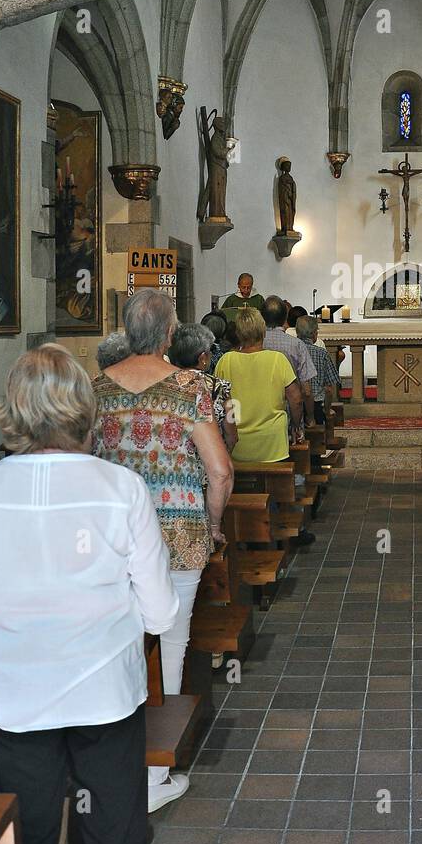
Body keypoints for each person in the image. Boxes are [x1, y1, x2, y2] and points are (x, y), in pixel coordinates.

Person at [0, 344, 178, 844]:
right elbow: (158, 612)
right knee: (115, 839)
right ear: (83, 408)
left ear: (14, 411)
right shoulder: (122, 488)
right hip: (104, 694)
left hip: (16, 700)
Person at [91, 289, 234, 812]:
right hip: (176, 532)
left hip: (113, 539)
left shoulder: (96, 387)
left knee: (122, 644)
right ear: (171, 334)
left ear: (128, 331)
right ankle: (156, 773)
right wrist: (213, 524)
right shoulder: (190, 386)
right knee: (172, 640)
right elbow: (218, 469)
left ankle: (116, 763)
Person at [216, 311, 314, 546]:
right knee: (277, 492)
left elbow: (220, 401)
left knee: (241, 494)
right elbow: (296, 398)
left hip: (237, 445)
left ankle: (244, 536)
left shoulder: (225, 361)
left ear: (238, 334)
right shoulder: (277, 360)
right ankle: (275, 535)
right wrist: (296, 427)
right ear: (262, 332)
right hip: (272, 445)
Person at [169, 322, 238, 456]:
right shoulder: (220, 387)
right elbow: (232, 435)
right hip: (208, 465)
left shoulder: (164, 383)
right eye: (209, 352)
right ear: (202, 358)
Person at [262, 294, 317, 427]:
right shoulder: (296, 345)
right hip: (289, 412)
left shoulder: (254, 344)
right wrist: (310, 417)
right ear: (284, 318)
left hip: (260, 410)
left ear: (262, 317)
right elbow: (307, 390)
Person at [295, 315, 341, 424]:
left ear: (297, 333)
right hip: (316, 406)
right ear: (314, 334)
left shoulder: (292, 350)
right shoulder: (322, 353)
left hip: (294, 404)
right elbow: (329, 389)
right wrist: (327, 409)